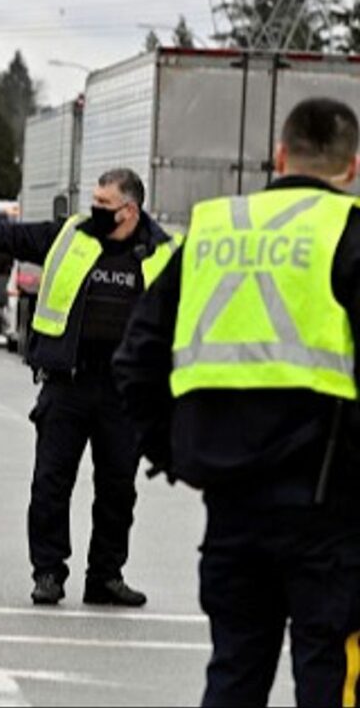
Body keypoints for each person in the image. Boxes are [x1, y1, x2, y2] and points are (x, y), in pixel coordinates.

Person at [113, 97, 360, 707]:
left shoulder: (212, 232)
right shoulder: (350, 235)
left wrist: (176, 453)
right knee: (328, 674)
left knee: (235, 673)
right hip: (329, 511)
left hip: (231, 503)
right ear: (352, 167)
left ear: (279, 156)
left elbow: (136, 360)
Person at [0, 169, 180, 607]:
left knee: (118, 490)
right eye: (93, 199)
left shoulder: (163, 253)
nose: (94, 209)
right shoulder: (71, 234)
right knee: (50, 485)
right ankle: (49, 573)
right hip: (68, 385)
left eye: (104, 204)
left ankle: (105, 577)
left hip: (123, 394)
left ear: (129, 211)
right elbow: (10, 236)